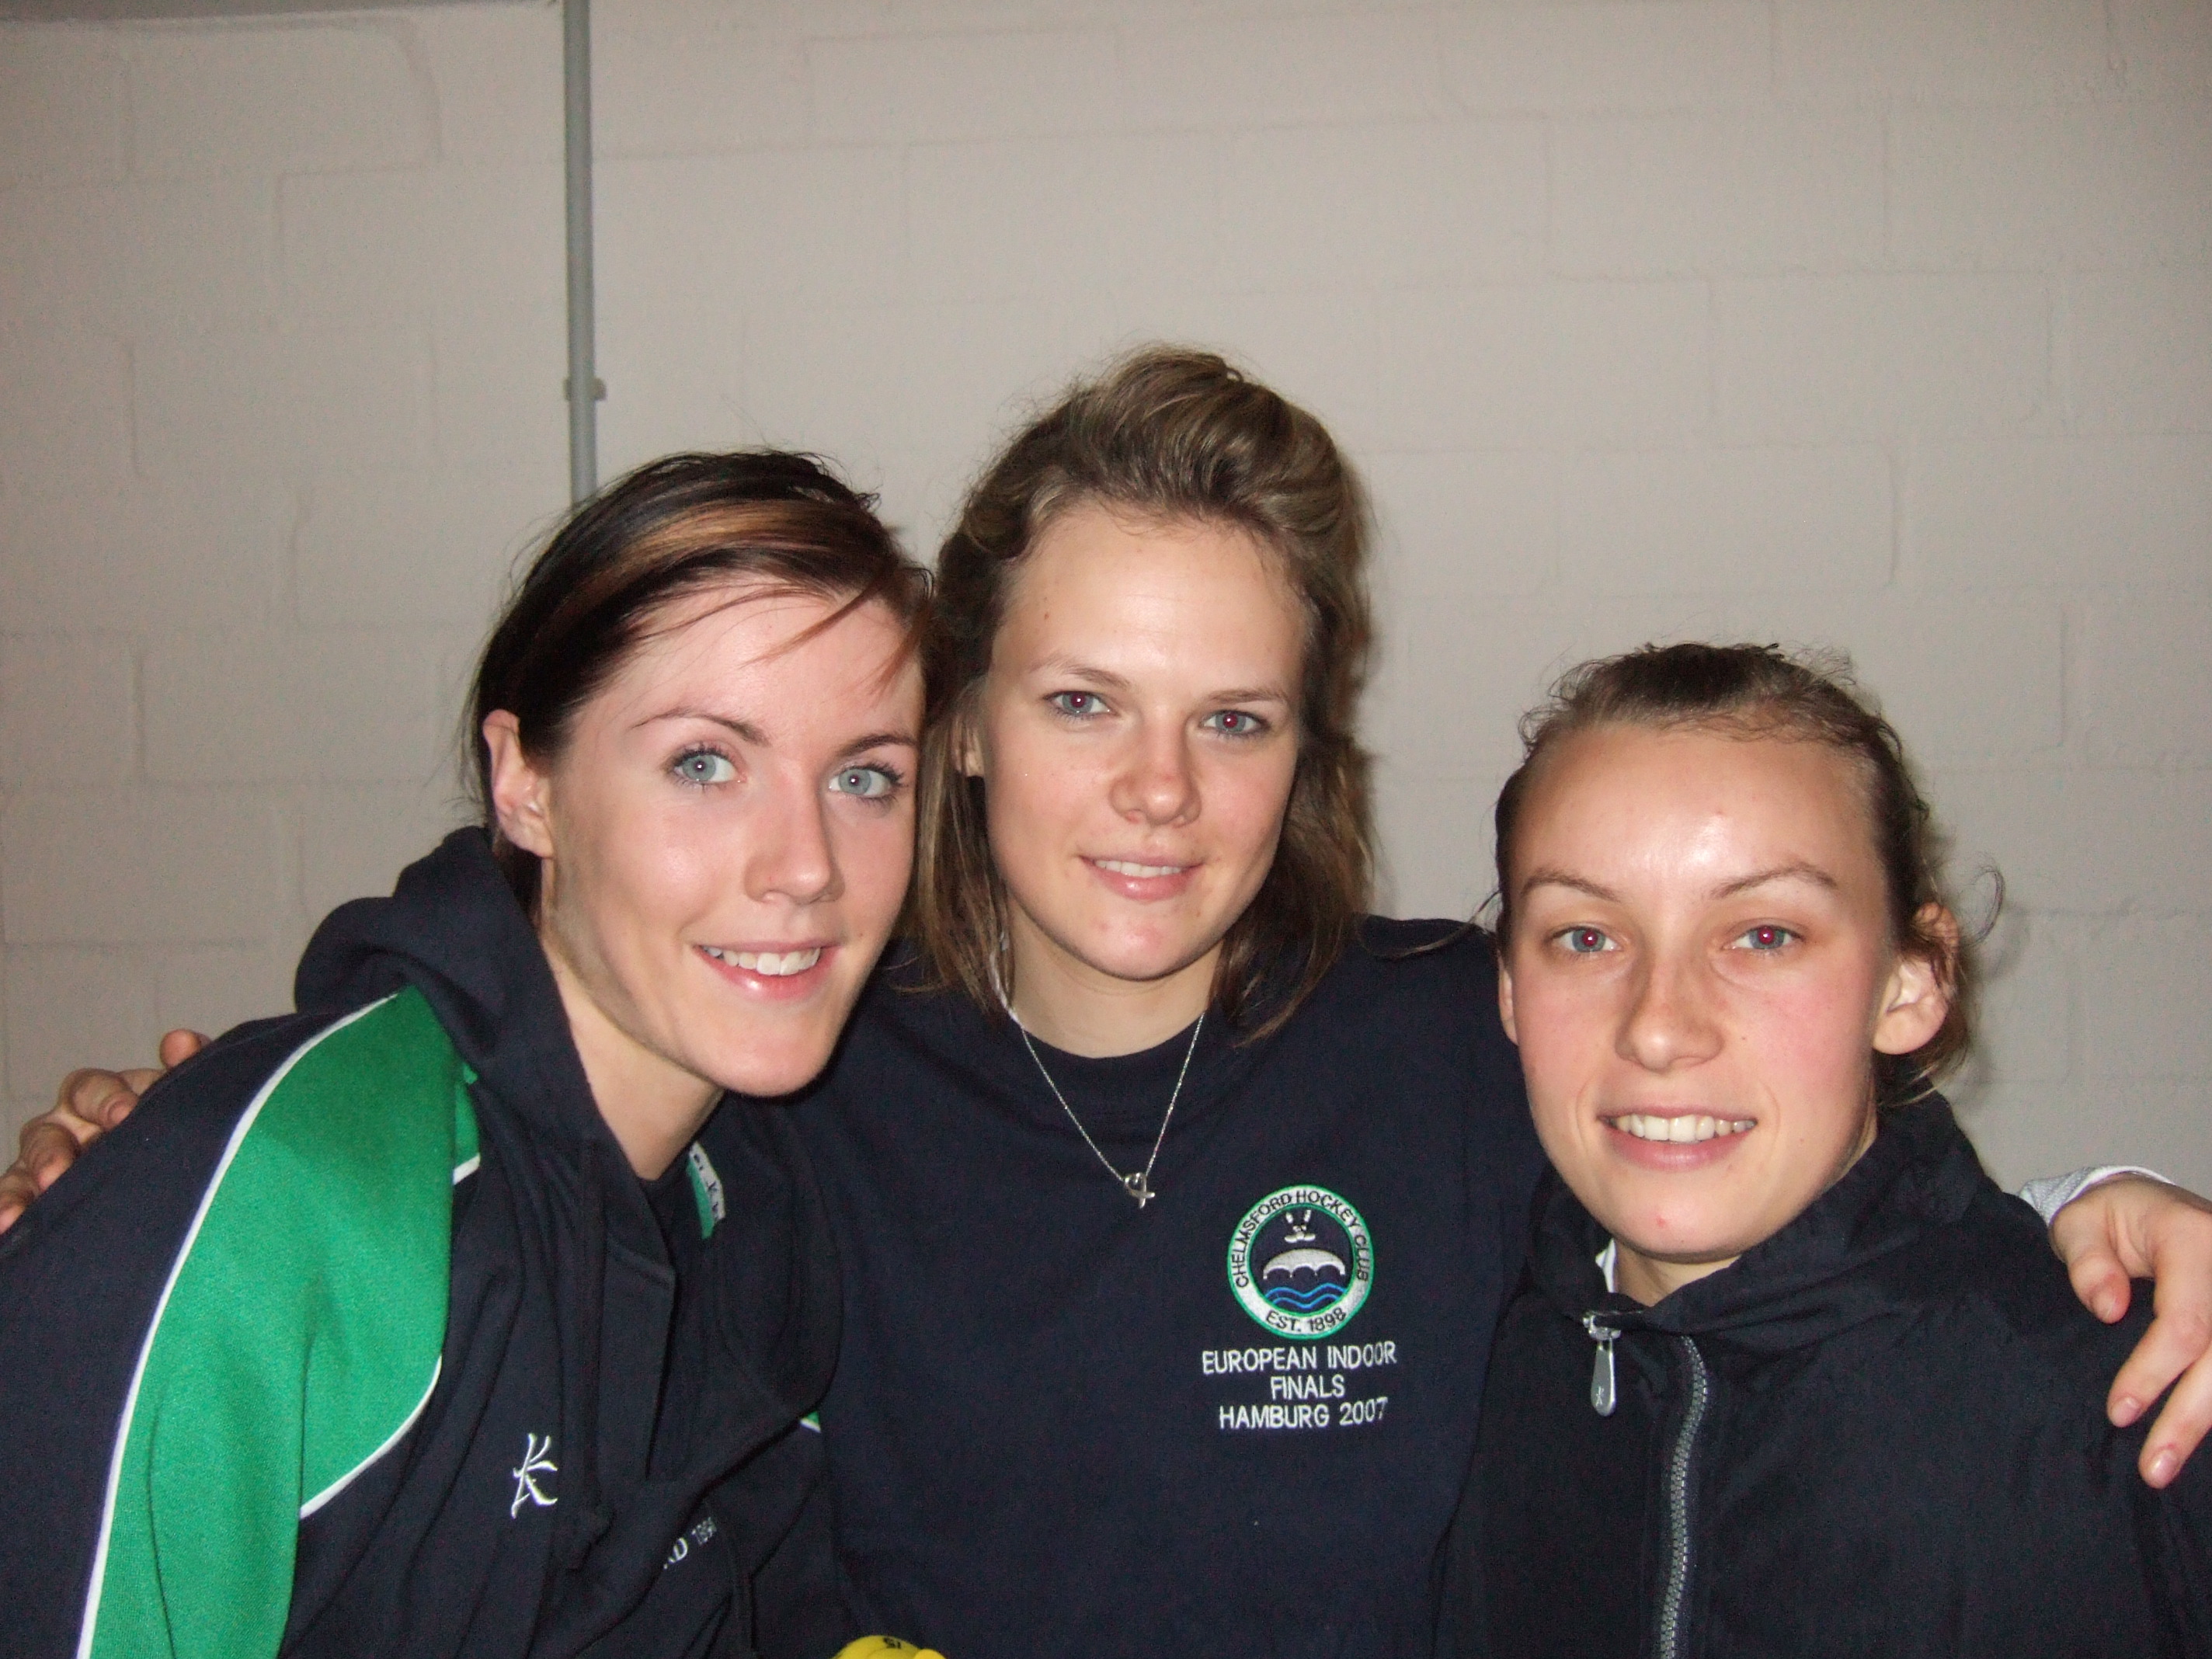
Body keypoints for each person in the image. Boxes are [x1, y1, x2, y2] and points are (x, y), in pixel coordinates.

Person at [11, 352, 2212, 1657]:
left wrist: (2081, 1221)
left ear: (1304, 751)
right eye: (1082, 704)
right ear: (963, 724)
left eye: (1232, 720)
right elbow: (532, 1113)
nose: (1159, 793)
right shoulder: (790, 1072)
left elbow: (1721, 1166)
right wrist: (191, 1163)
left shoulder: (1451, 1046)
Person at [0, 452, 936, 1659]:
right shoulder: (294, 1213)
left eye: (865, 777)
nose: (806, 864)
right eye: (704, 764)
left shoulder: (765, 1195)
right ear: (524, 782)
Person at [1442, 643, 2212, 1657]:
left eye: (1764, 935)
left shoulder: (2138, 1406)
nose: (1659, 1029)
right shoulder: (1452, 1359)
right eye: (1585, 938)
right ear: (1509, 991)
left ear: (1910, 983)